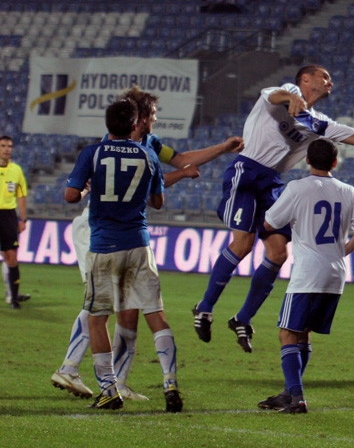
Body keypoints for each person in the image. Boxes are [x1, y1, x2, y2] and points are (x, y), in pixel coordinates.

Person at [192, 65, 354, 353]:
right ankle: (205, 307)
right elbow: (273, 96)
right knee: (243, 243)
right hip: (247, 169)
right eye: (324, 76)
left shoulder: (318, 122)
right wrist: (290, 96)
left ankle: (243, 318)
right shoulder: (287, 92)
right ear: (305, 79)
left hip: (273, 182)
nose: (330, 81)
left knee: (278, 252)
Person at [51, 85, 243, 401]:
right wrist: (180, 176)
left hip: (120, 233)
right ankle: (70, 367)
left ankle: (117, 382)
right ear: (138, 118)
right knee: (100, 306)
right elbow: (148, 184)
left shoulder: (149, 144)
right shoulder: (112, 145)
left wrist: (222, 148)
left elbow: (181, 159)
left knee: (125, 311)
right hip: (96, 228)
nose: (156, 119)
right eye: (153, 114)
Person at [64, 99, 181, 412]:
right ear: (135, 125)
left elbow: (71, 195)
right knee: (155, 314)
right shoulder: (149, 154)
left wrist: (88, 188)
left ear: (106, 125)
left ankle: (109, 389)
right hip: (139, 245)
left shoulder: (92, 153)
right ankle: (170, 382)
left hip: (103, 245)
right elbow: (157, 201)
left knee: (97, 318)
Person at [255, 139, 354, 414]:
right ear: (335, 162)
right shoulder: (348, 191)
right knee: (303, 334)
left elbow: (270, 223)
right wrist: (342, 252)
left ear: (307, 160)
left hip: (308, 273)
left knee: (286, 333)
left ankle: (297, 397)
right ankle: (288, 393)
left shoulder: (297, 188)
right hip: (335, 274)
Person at [0, 135, 29, 309]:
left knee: (11, 257)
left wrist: (23, 218)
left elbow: (21, 195)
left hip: (8, 216)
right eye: (3, 145)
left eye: (9, 146)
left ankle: (13, 297)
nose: (6, 149)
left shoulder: (16, 170)